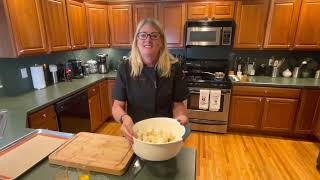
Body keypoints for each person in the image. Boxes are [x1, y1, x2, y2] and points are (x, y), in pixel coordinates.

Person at [112, 18, 190, 144]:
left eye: (154, 35)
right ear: (136, 41)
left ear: (161, 42)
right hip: (136, 133)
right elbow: (117, 106)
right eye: (143, 35)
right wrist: (124, 118)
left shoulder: (174, 67)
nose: (148, 39)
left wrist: (180, 117)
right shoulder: (125, 68)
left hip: (165, 133)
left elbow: (178, 104)